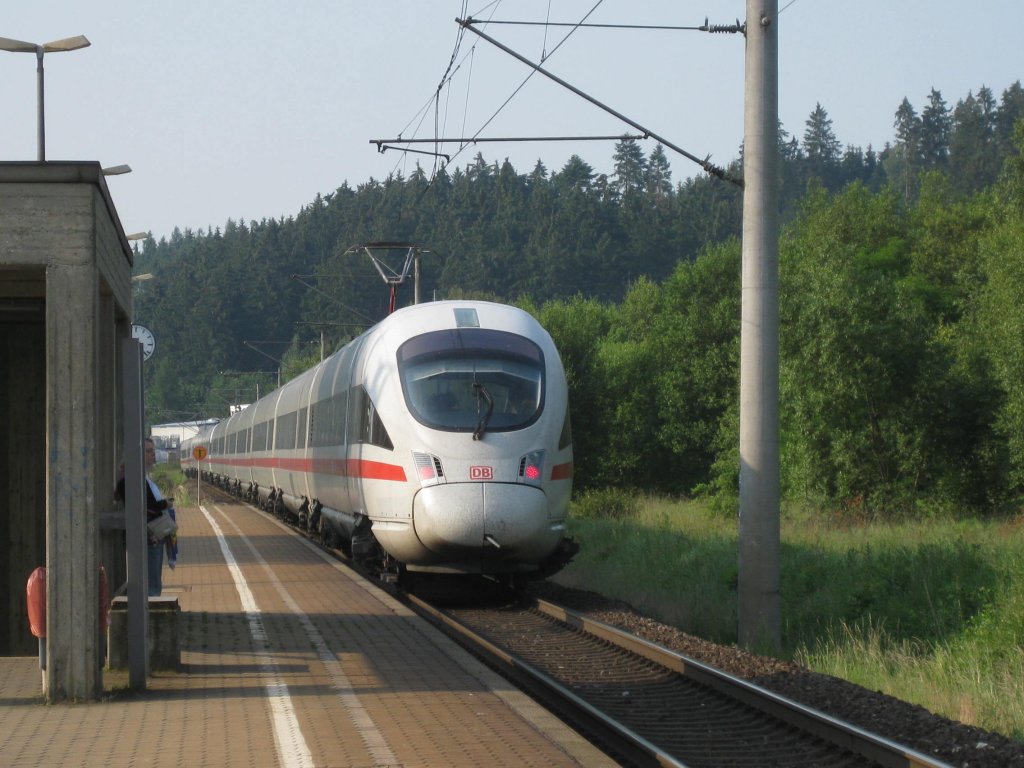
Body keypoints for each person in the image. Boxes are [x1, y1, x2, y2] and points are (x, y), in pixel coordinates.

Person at [116, 438, 174, 596]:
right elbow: (146, 505)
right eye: (148, 451)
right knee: (152, 582)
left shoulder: (141, 477)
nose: (153, 455)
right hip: (147, 536)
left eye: (153, 451)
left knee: (153, 579)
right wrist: (166, 504)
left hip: (151, 534)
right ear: (136, 455)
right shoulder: (131, 479)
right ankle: (151, 607)